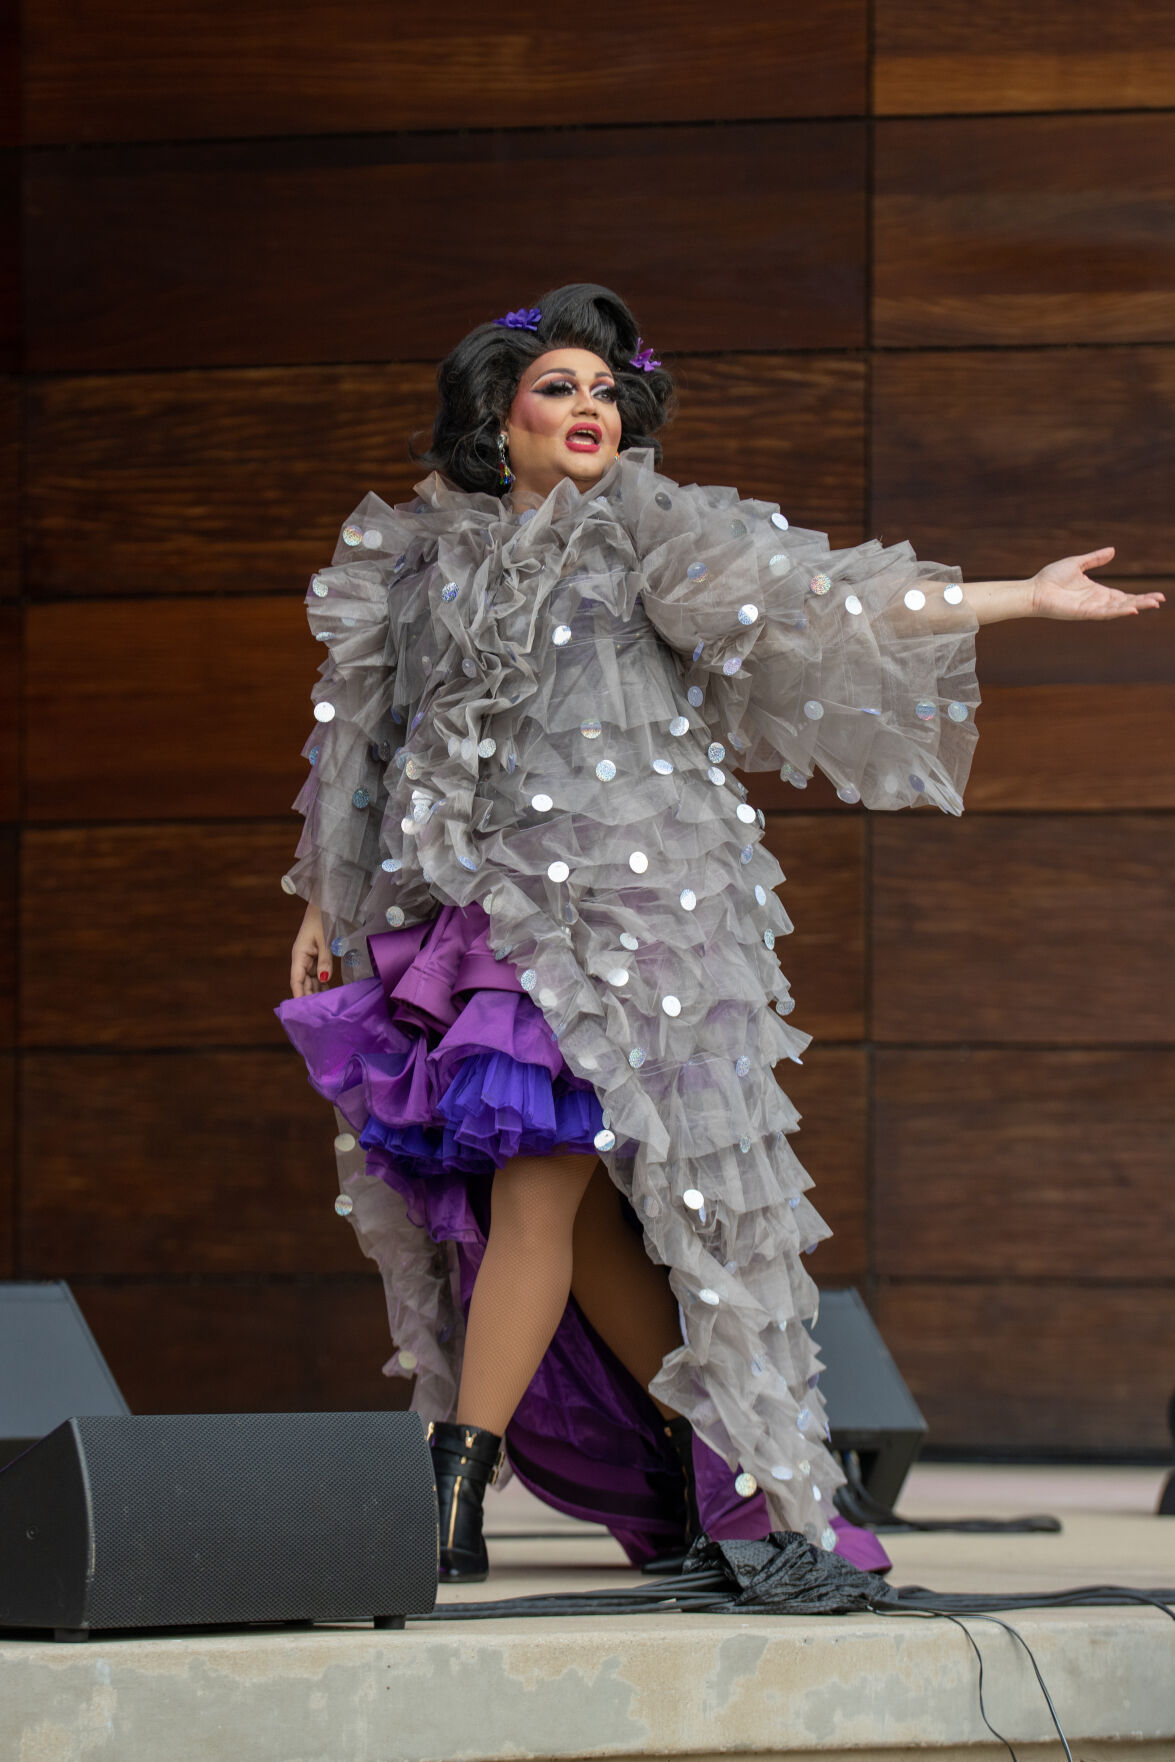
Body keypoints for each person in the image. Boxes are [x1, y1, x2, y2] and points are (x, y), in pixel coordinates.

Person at [276, 283, 1162, 1583]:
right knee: (563, 1214)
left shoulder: (650, 534)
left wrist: (1016, 597)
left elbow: (819, 604)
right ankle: (706, 1468)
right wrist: (324, 894)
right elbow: (363, 741)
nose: (589, 408)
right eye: (557, 387)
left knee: (556, 1196)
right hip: (502, 911)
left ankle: (457, 1490)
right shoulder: (418, 562)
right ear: (497, 417)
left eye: (603, 388)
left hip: (642, 914)